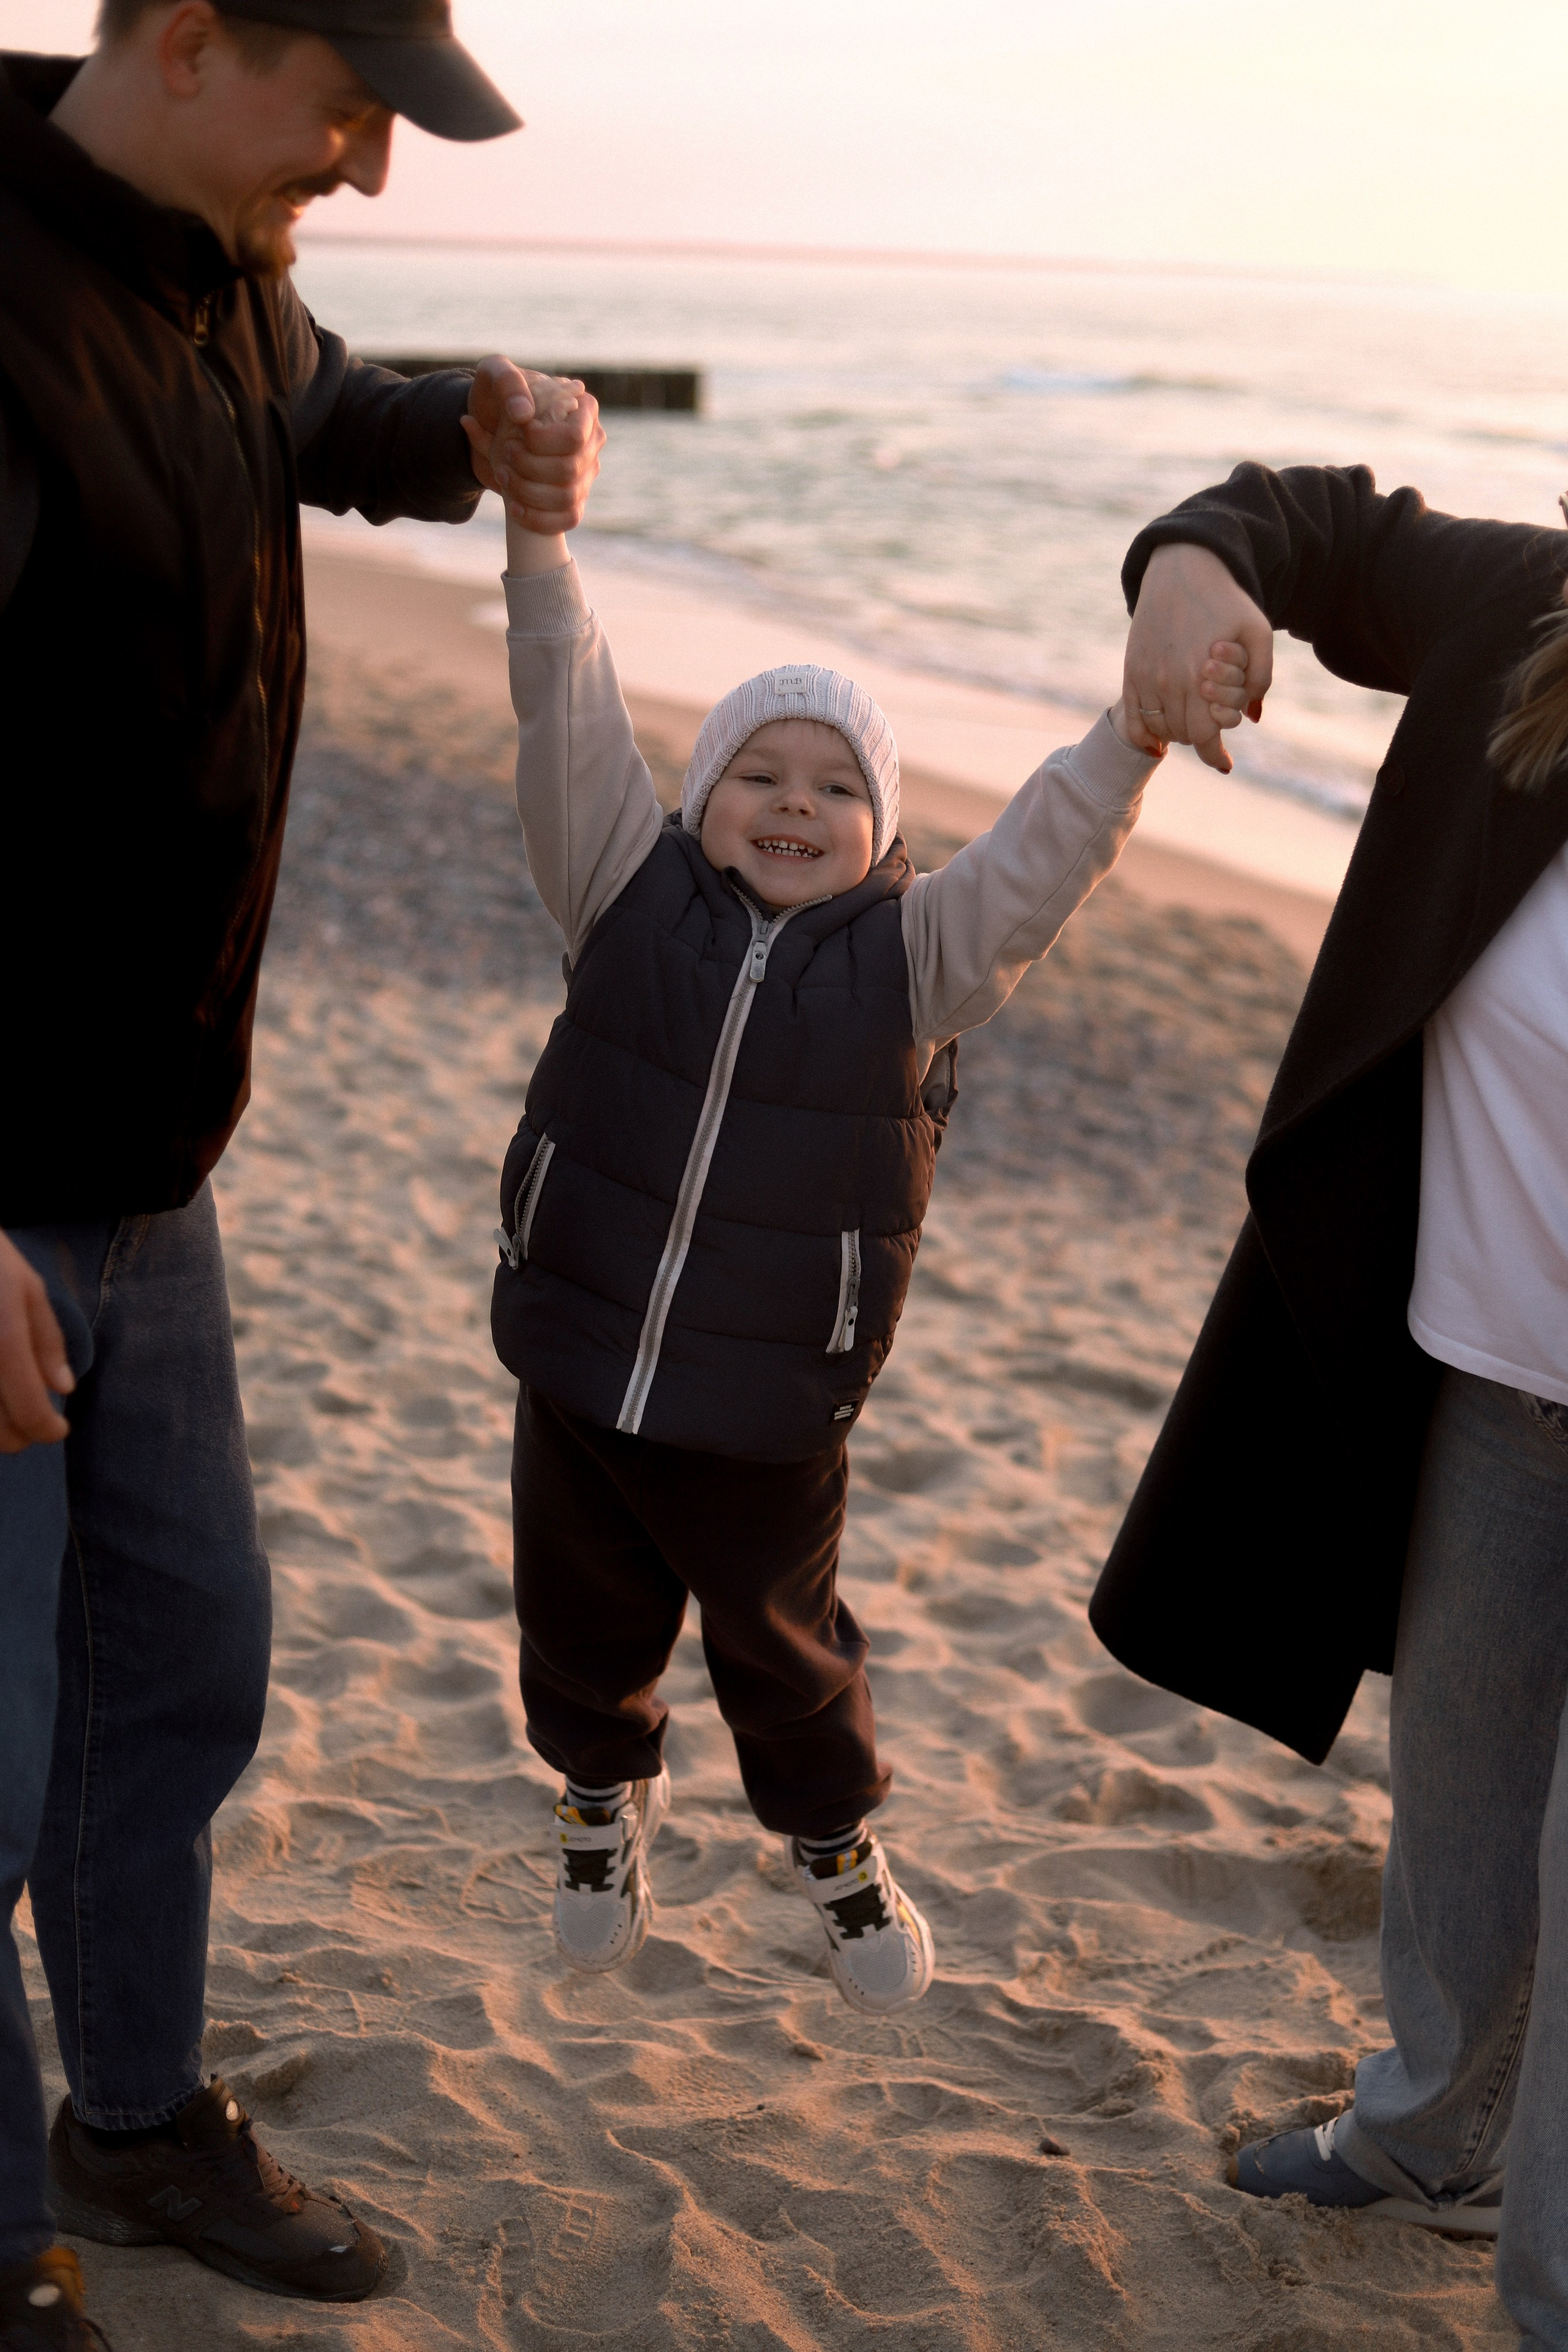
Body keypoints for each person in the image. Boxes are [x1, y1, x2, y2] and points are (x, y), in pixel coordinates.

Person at [0, 6, 601, 2344]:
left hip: (161, 1172)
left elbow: (310, 407)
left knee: (185, 1669)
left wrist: (463, 420)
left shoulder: (217, 260)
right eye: (340, 111)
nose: (364, 168)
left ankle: (129, 2122)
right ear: (177, 43)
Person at [479, 405, 1167, 2019]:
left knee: (783, 1654)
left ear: (887, 833)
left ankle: (837, 1846)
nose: (793, 805)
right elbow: (560, 697)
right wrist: (537, 533)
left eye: (835, 786)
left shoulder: (917, 965)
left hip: (774, 1404)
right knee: (576, 1628)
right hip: (580, 1364)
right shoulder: (619, 890)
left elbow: (1045, 855)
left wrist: (1130, 735)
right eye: (757, 776)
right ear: (702, 794)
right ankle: (598, 1807)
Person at [1091, 461, 1568, 2350]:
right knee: (1456, 1813)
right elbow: (1309, 519)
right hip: (1498, 1401)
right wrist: (1186, 582)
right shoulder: (1526, 619)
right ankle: (1432, 2136)